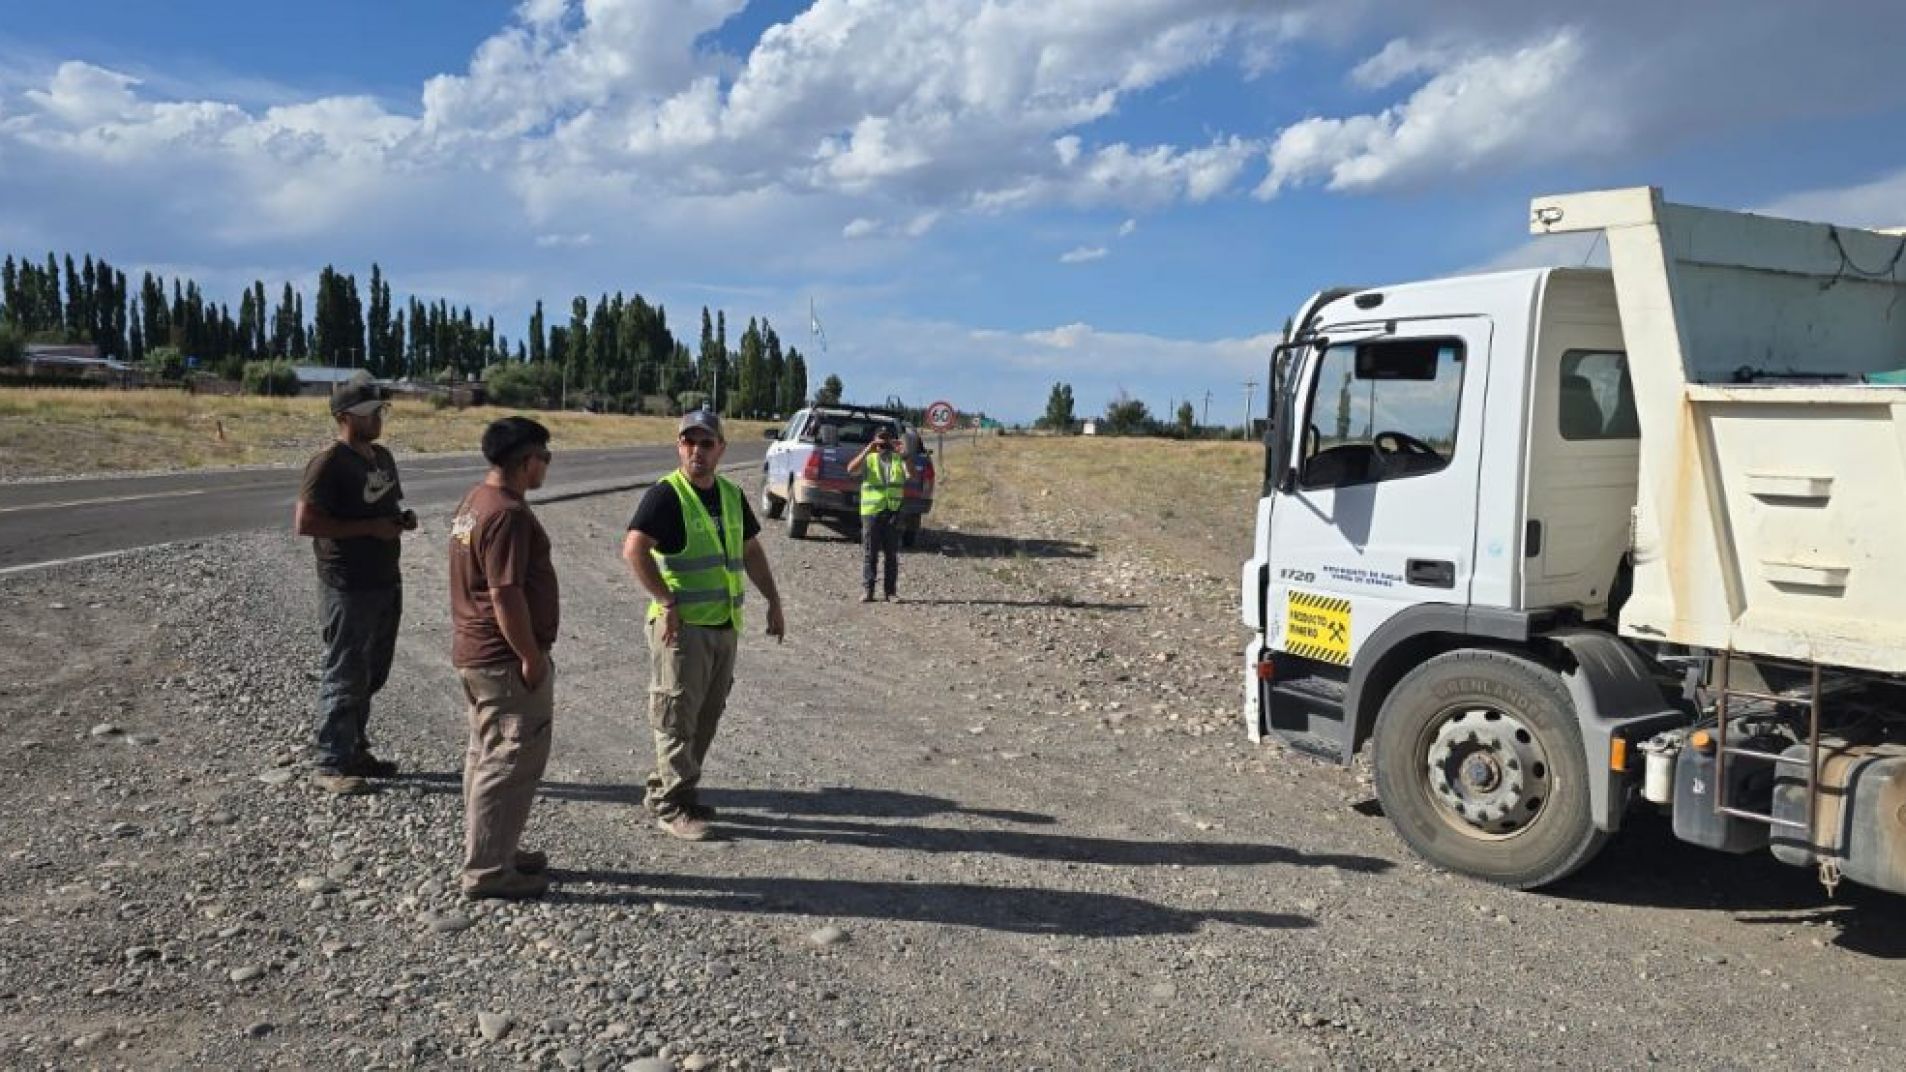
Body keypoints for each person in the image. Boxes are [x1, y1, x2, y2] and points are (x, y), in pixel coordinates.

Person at [622, 410, 786, 841]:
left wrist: (774, 600)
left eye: (706, 443)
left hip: (723, 626)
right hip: (682, 629)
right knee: (677, 717)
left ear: (721, 449)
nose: (696, 450)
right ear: (679, 447)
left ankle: (674, 790)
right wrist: (663, 598)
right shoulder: (666, 495)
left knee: (706, 717)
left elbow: (750, 551)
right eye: (688, 442)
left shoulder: (731, 494)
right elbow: (634, 550)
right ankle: (673, 808)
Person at [449, 417, 560, 900]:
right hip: (503, 661)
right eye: (544, 457)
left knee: (485, 755)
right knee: (510, 759)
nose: (547, 466)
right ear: (524, 461)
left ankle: (496, 850)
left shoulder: (476, 501)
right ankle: (490, 870)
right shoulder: (508, 514)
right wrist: (530, 656)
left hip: (478, 655)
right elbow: (505, 593)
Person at [294, 382, 416, 796]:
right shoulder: (328, 463)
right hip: (347, 582)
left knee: (373, 670)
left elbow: (385, 506)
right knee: (345, 670)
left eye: (380, 410)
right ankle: (329, 761)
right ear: (344, 417)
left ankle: (355, 749)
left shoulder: (381, 457)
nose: (378, 418)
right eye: (369, 412)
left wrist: (399, 521)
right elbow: (306, 522)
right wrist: (369, 528)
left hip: (385, 576)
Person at [845, 425, 913, 602]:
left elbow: (911, 474)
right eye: (879, 440)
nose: (883, 444)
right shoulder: (869, 459)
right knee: (870, 553)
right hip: (871, 512)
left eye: (886, 440)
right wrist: (868, 449)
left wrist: (904, 454)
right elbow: (851, 470)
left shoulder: (899, 459)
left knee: (891, 554)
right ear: (875, 441)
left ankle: (890, 592)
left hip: (892, 511)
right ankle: (868, 590)